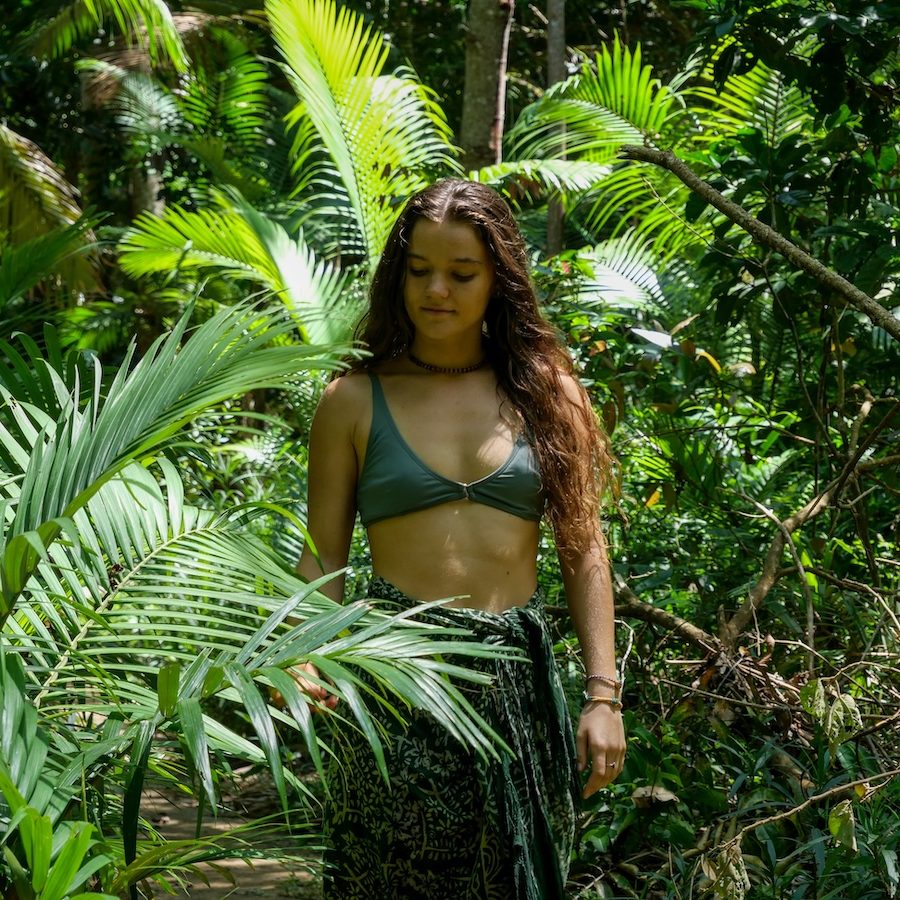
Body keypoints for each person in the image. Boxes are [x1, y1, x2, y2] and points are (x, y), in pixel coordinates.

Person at [297, 179, 626, 899]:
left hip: (515, 684)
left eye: (461, 273)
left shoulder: (549, 394)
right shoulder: (352, 399)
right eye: (419, 270)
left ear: (499, 280)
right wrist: (305, 654)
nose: (436, 290)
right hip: (392, 676)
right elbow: (324, 554)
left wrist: (603, 696)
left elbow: (584, 550)